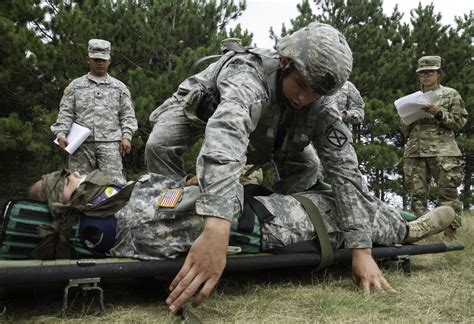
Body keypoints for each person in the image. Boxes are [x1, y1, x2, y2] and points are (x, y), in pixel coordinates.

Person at [143, 21, 408, 310]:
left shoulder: (320, 108)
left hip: (276, 131)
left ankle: (272, 230)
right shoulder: (247, 77)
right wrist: (217, 228)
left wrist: (362, 250)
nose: (304, 98)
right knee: (160, 143)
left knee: (308, 167)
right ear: (285, 63)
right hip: (203, 108)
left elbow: (346, 173)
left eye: (315, 94)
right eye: (302, 86)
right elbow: (225, 139)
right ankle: (163, 220)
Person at [27, 169, 454, 310]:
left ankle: (399, 218)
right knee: (328, 206)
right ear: (65, 198)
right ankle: (407, 231)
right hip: (256, 225)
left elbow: (170, 198)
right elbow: (177, 217)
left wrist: (200, 181)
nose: (79, 174)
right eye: (69, 178)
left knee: (320, 196)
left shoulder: (109, 206)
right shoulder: (106, 220)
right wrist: (226, 182)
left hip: (244, 213)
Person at [50, 38, 138, 185]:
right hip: (81, 145)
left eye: (103, 60)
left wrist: (127, 136)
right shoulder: (76, 86)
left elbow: (127, 115)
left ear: (109, 61)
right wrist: (61, 135)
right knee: (78, 186)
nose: (100, 63)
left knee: (114, 186)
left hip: (110, 144)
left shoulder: (119, 87)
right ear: (88, 60)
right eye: (96, 59)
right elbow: (65, 113)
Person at [400, 55, 468, 240]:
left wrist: (437, 113)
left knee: (448, 193)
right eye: (421, 73)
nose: (425, 76)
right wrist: (408, 116)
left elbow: (460, 121)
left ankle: (450, 234)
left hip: (443, 151)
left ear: (439, 73)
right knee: (417, 196)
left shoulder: (450, 94)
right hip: (415, 152)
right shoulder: (414, 98)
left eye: (430, 72)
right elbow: (404, 126)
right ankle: (420, 236)